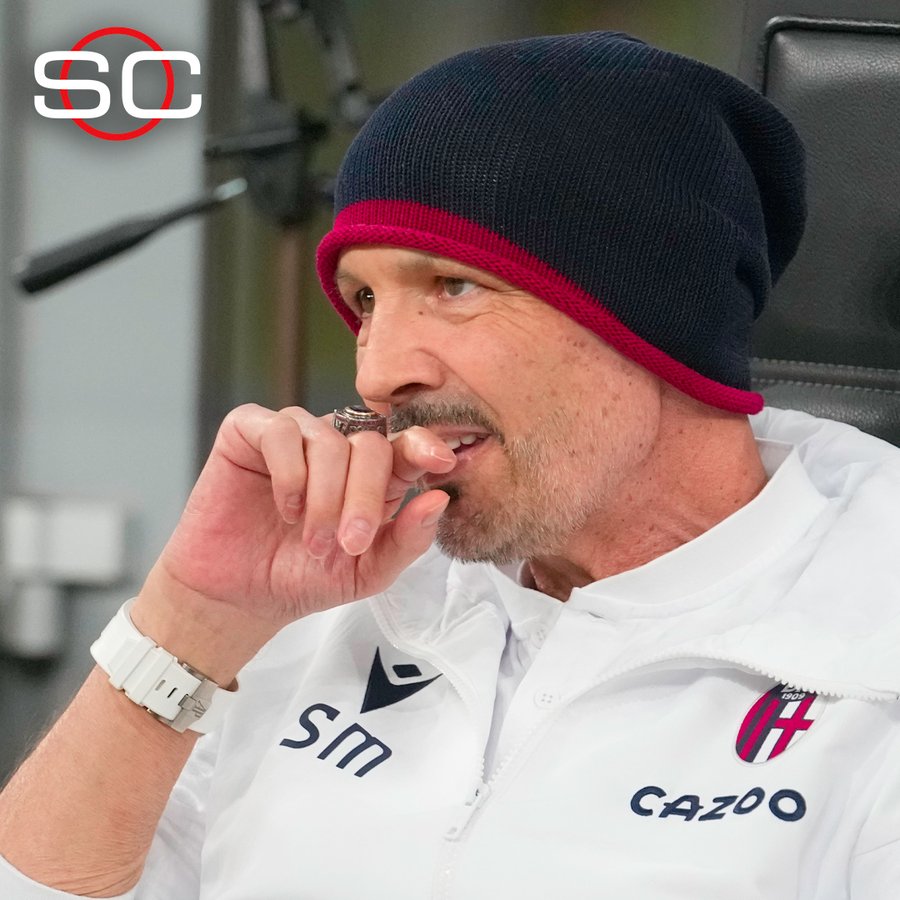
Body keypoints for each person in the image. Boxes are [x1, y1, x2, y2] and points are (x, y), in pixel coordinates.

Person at [1, 30, 899, 900]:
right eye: (364, 299)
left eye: (454, 285)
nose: (377, 371)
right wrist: (190, 623)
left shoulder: (871, 644)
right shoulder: (327, 592)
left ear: (658, 315)